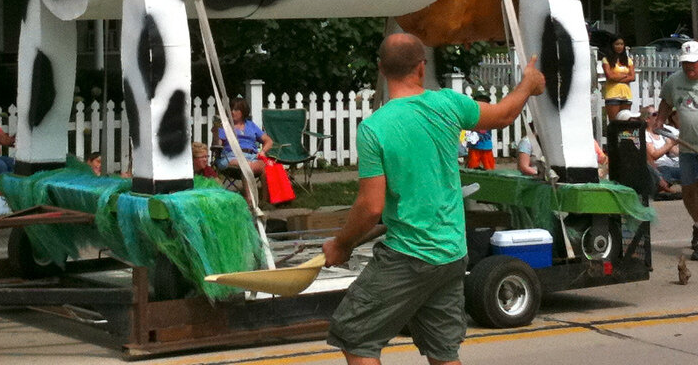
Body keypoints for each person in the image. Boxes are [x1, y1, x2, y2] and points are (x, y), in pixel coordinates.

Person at [323, 33, 545, 365]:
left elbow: (371, 207)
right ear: (421, 68)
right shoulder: (448, 104)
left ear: (381, 69)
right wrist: (527, 83)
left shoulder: (375, 128)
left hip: (409, 256)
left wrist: (341, 244)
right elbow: (502, 115)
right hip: (451, 254)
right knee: (443, 352)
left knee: (356, 338)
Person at [657, 39, 698, 260]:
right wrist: (661, 119)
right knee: (689, 191)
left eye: (693, 63)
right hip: (688, 146)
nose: (689, 67)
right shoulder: (675, 81)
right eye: (685, 63)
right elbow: (666, 101)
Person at [214, 97, 273, 177]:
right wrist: (216, 131)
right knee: (247, 168)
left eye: (236, 110)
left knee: (267, 168)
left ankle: (263, 189)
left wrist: (262, 152)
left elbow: (269, 141)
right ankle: (248, 188)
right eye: (231, 109)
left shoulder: (250, 125)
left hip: (252, 156)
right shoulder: (225, 125)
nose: (232, 112)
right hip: (231, 156)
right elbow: (218, 144)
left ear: (243, 111)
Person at [645, 106, 681, 195]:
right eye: (655, 114)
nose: (658, 116)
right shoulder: (645, 135)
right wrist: (669, 144)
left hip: (672, 165)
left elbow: (675, 151)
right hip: (660, 167)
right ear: (647, 119)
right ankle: (665, 189)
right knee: (664, 170)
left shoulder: (661, 133)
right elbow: (653, 155)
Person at [602, 36, 635, 121]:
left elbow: (632, 77)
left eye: (621, 44)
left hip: (626, 95)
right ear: (612, 45)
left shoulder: (628, 60)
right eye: (617, 44)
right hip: (613, 95)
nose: (620, 46)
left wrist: (617, 77)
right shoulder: (606, 60)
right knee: (614, 123)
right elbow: (609, 77)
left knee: (625, 123)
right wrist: (625, 75)